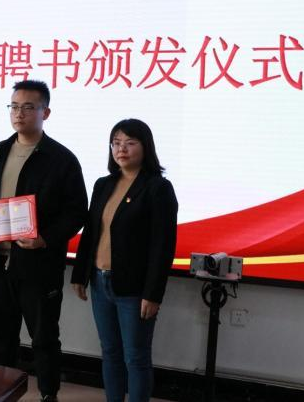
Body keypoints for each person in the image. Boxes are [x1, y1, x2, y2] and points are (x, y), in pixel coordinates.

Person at [0, 80, 88, 402]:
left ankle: (48, 395)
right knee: (1, 338)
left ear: (45, 112)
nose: (18, 113)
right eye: (14, 106)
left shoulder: (61, 159)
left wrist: (44, 239)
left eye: (27, 107)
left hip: (38, 266)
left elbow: (77, 212)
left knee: (44, 339)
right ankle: (1, 393)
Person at [70, 119, 178, 402]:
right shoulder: (104, 184)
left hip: (134, 288)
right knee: (110, 352)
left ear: (145, 147)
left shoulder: (157, 188)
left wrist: (153, 293)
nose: (122, 149)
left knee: (136, 357)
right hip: (100, 281)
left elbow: (163, 246)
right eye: (116, 143)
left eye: (130, 143)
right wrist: (79, 274)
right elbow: (91, 232)